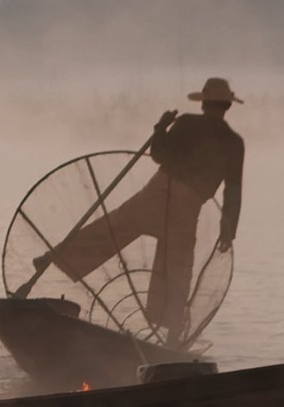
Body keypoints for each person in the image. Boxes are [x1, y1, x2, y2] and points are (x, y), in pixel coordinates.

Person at [43, 76, 246, 340]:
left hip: (161, 190)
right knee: (178, 266)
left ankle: (56, 257)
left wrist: (160, 128)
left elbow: (159, 154)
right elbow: (233, 189)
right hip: (189, 204)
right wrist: (228, 229)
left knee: (114, 226)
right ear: (227, 106)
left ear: (205, 103)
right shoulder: (234, 141)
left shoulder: (186, 123)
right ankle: (173, 333)